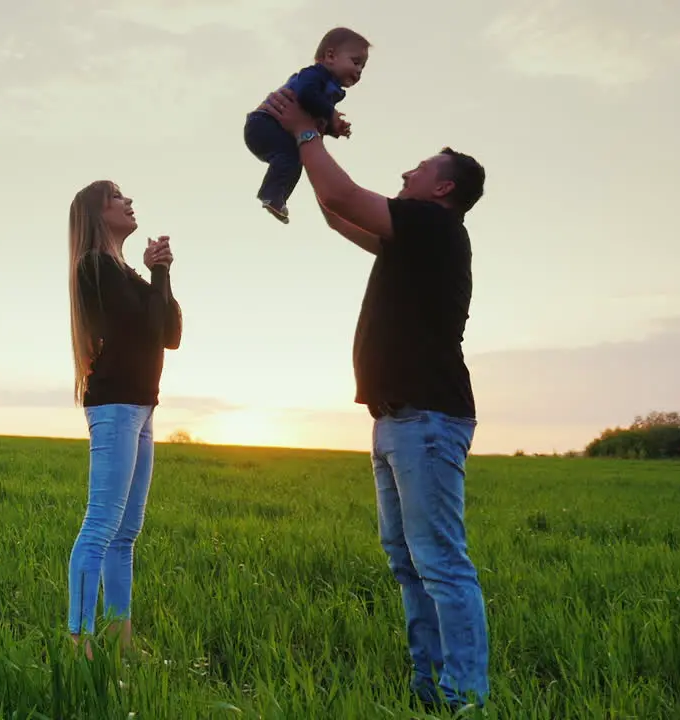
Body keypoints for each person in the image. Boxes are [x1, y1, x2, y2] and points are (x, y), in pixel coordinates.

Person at [258, 89, 490, 712]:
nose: (408, 172)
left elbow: (341, 197)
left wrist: (307, 129)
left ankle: (464, 698)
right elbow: (337, 213)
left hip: (428, 419)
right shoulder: (409, 237)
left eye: (420, 169)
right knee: (409, 564)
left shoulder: (435, 227)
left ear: (444, 189)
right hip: (395, 420)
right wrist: (310, 144)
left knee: (441, 562)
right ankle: (429, 690)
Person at [65, 179, 183, 659]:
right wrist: (155, 275)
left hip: (141, 405)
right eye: (117, 197)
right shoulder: (95, 267)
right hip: (115, 406)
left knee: (125, 534)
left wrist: (161, 273)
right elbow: (149, 326)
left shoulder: (128, 273)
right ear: (97, 213)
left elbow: (169, 334)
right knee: (101, 526)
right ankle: (78, 641)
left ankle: (120, 639)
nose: (129, 201)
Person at [243, 27, 369, 224]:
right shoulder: (314, 75)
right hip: (264, 124)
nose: (359, 71)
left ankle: (276, 197)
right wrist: (330, 113)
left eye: (363, 67)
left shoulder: (330, 88)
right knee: (290, 156)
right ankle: (272, 193)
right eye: (355, 62)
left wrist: (332, 128)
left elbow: (310, 117)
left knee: (296, 159)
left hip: (276, 128)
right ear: (330, 56)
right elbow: (305, 96)